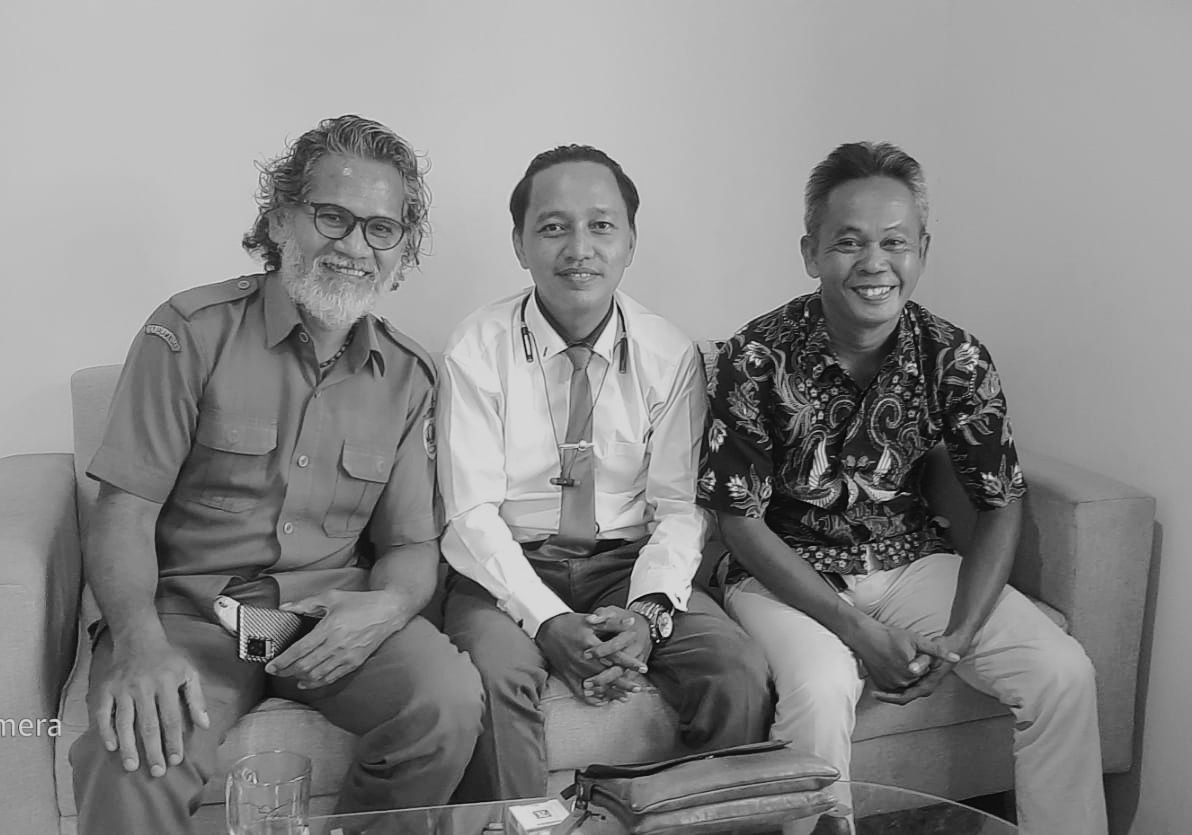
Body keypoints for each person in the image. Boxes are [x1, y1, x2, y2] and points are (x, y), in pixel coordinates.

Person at [69, 115, 484, 834]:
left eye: (381, 229)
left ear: (402, 249)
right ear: (281, 218)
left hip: (327, 617)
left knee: (446, 702)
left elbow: (412, 545)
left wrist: (385, 608)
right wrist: (138, 642)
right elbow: (124, 511)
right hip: (190, 615)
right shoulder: (189, 332)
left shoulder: (408, 376)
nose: (354, 246)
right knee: (133, 758)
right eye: (332, 217)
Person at [698, 141, 1105, 835]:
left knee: (1062, 672)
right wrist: (857, 631)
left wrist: (960, 637)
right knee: (822, 689)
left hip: (910, 560)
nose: (873, 262)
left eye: (894, 242)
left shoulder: (955, 356)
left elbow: (1000, 499)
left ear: (922, 250)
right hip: (783, 575)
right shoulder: (755, 356)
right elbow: (740, 520)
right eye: (848, 241)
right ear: (810, 252)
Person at [437, 144, 771, 802]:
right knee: (495, 681)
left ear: (631, 242)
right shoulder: (475, 347)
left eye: (601, 226)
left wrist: (646, 614)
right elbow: (471, 514)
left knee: (736, 670)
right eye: (553, 227)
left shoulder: (667, 352)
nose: (579, 249)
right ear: (519, 243)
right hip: (508, 565)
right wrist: (546, 620)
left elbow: (679, 507)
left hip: (626, 562)